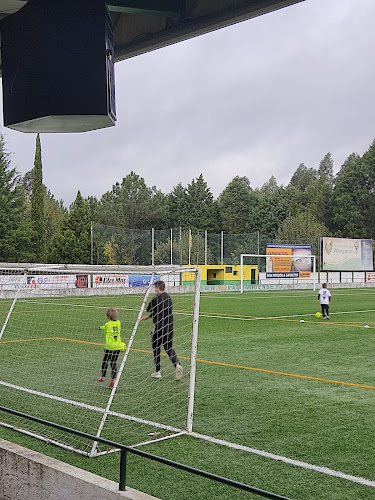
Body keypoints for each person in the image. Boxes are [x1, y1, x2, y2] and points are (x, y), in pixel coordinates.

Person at [141, 280, 183, 380]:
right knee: (169, 348)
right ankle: (177, 364)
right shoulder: (168, 297)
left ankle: (157, 371)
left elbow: (149, 308)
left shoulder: (156, 298)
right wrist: (149, 316)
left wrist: (150, 309)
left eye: (155, 287)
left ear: (157, 287)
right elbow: (161, 311)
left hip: (159, 327)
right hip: (169, 327)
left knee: (156, 348)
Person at [98, 307, 123, 388]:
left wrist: (100, 327)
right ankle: (113, 379)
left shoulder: (107, 324)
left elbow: (105, 329)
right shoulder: (119, 323)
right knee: (113, 362)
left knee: (105, 361)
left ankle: (103, 376)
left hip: (109, 347)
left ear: (107, 316)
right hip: (117, 347)